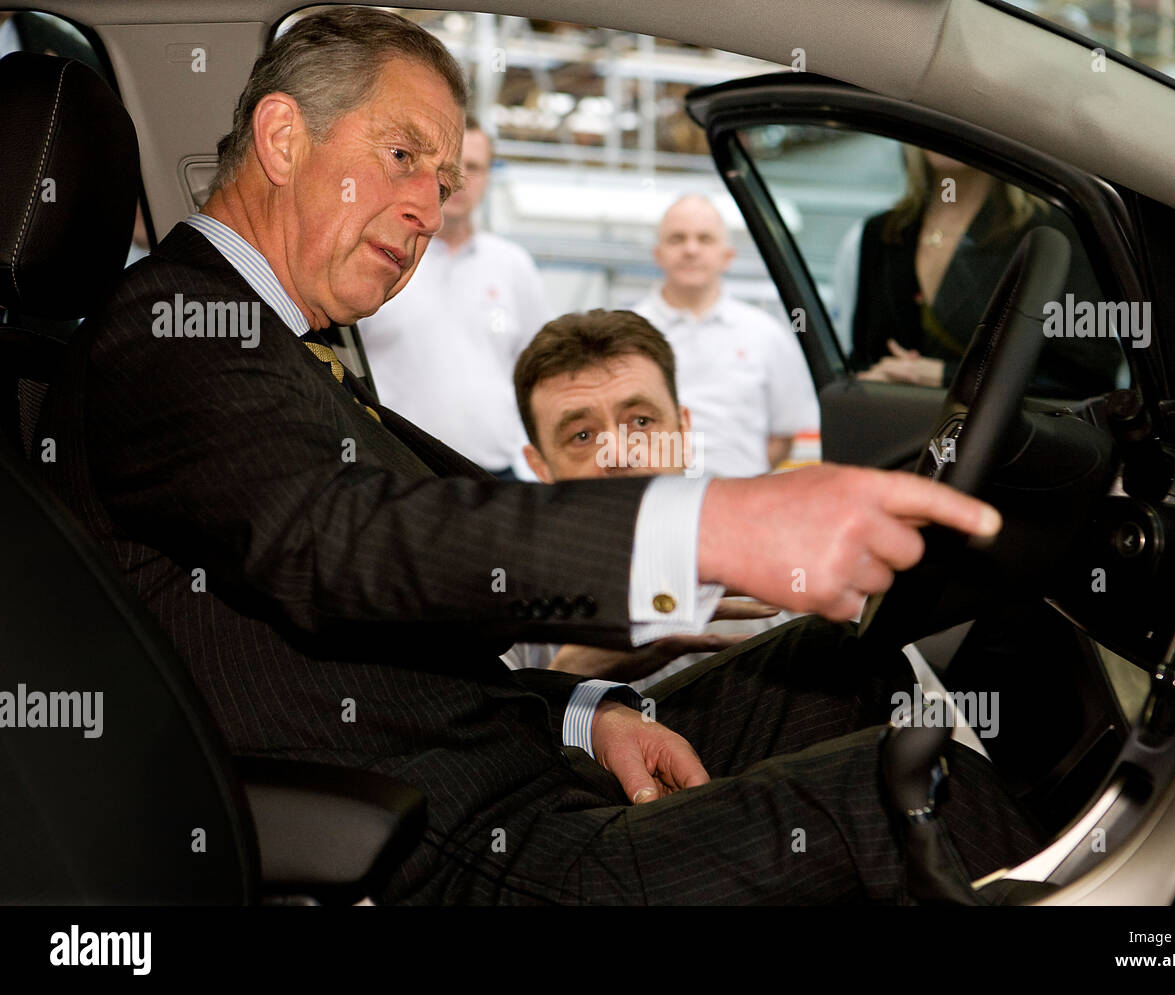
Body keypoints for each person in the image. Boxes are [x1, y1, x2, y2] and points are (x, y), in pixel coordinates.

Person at [41, 7, 1040, 904]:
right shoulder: (172, 330)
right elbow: (341, 542)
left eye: (442, 181)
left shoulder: (279, 341)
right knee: (905, 790)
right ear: (282, 134)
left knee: (844, 660)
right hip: (443, 842)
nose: (429, 210)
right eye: (402, 157)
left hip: (511, 767)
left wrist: (582, 713)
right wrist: (712, 524)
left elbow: (423, 570)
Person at [504, 308, 791, 690]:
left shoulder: (779, 571)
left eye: (641, 422)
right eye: (582, 436)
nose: (619, 454)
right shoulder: (504, 596)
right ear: (540, 467)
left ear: (683, 433)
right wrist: (571, 672)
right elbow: (482, 742)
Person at [842, 146, 1117, 398]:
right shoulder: (884, 232)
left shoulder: (1051, 233)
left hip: (1004, 445)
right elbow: (863, 357)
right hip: (895, 436)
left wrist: (943, 375)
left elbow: (1087, 377)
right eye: (932, 103)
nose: (942, 117)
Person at [358, 116, 548, 478]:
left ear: (489, 177)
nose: (461, 179)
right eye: (452, 167)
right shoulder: (383, 257)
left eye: (474, 167)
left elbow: (542, 372)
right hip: (400, 470)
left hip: (495, 476)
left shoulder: (513, 266)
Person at [634, 195, 820, 478]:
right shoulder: (626, 335)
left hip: (740, 502)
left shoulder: (766, 335)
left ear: (728, 256)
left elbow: (783, 435)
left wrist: (736, 485)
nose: (691, 249)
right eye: (677, 239)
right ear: (657, 253)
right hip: (649, 497)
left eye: (705, 239)